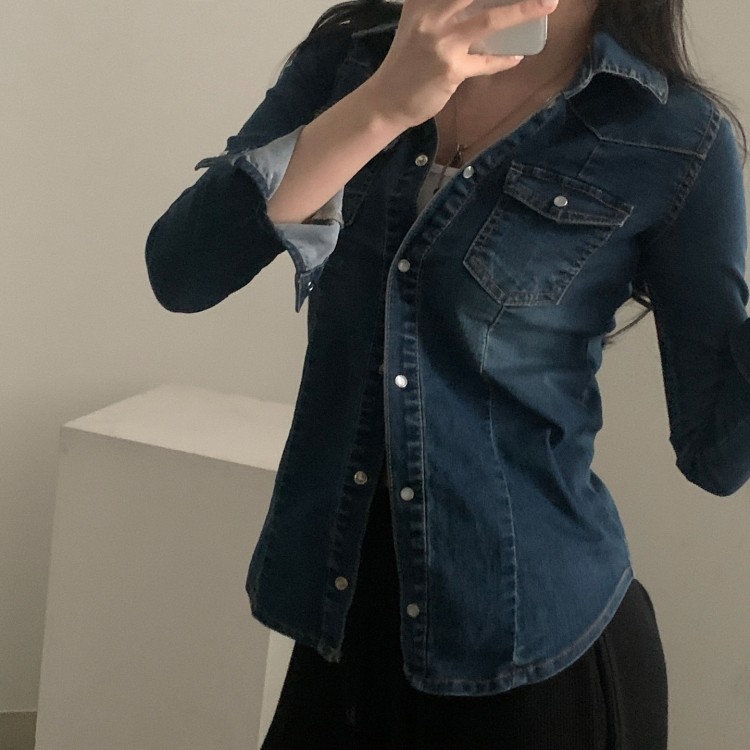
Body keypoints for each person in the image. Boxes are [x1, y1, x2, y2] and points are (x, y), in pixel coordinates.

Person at [145, 0, 750, 747]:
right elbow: (183, 271)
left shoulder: (674, 135)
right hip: (339, 620)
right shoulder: (350, 62)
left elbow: (718, 457)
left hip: (534, 653)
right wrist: (384, 104)